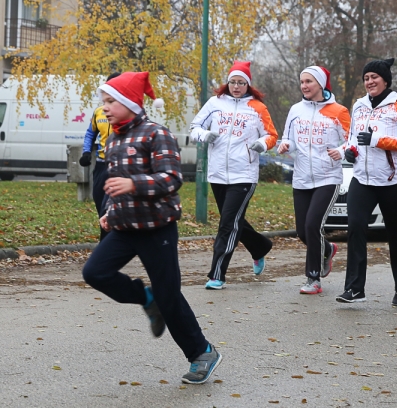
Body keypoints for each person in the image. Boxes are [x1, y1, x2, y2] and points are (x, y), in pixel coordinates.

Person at [82, 71, 222, 385]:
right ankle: (147, 299)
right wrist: (108, 212)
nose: (104, 107)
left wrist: (134, 183)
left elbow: (171, 179)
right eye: (103, 101)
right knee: (95, 272)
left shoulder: (156, 134)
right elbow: (113, 186)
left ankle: (202, 352)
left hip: (157, 228)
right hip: (123, 227)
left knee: (169, 294)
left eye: (110, 101)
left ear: (130, 102)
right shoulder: (114, 137)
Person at [335, 58, 397, 306]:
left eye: (374, 77)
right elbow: (354, 138)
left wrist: (378, 140)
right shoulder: (359, 106)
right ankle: (354, 289)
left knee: (395, 234)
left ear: (385, 80)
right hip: (363, 179)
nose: (369, 82)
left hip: (394, 182)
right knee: (356, 228)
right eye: (366, 78)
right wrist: (349, 151)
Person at [190, 61, 278, 289]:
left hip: (244, 174)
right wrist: (204, 135)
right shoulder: (215, 103)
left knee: (228, 224)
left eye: (241, 83)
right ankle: (259, 247)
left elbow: (271, 135)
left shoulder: (257, 107)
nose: (236, 86)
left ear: (248, 85)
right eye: (232, 82)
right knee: (233, 220)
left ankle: (217, 275)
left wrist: (261, 143)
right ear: (227, 83)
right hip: (218, 173)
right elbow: (195, 127)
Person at [277, 66, 350, 294]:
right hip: (301, 178)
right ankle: (327, 249)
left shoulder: (338, 111)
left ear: (320, 84)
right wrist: (285, 145)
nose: (304, 86)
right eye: (302, 82)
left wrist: (341, 150)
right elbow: (288, 137)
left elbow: (354, 140)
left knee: (312, 225)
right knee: (302, 231)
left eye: (309, 81)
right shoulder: (296, 110)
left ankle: (313, 279)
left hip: (328, 177)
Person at [79, 72, 121, 241]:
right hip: (101, 165)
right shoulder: (99, 112)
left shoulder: (124, 112)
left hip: (118, 166)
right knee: (99, 202)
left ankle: (106, 242)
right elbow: (90, 133)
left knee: (107, 206)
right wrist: (86, 152)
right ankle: (108, 236)